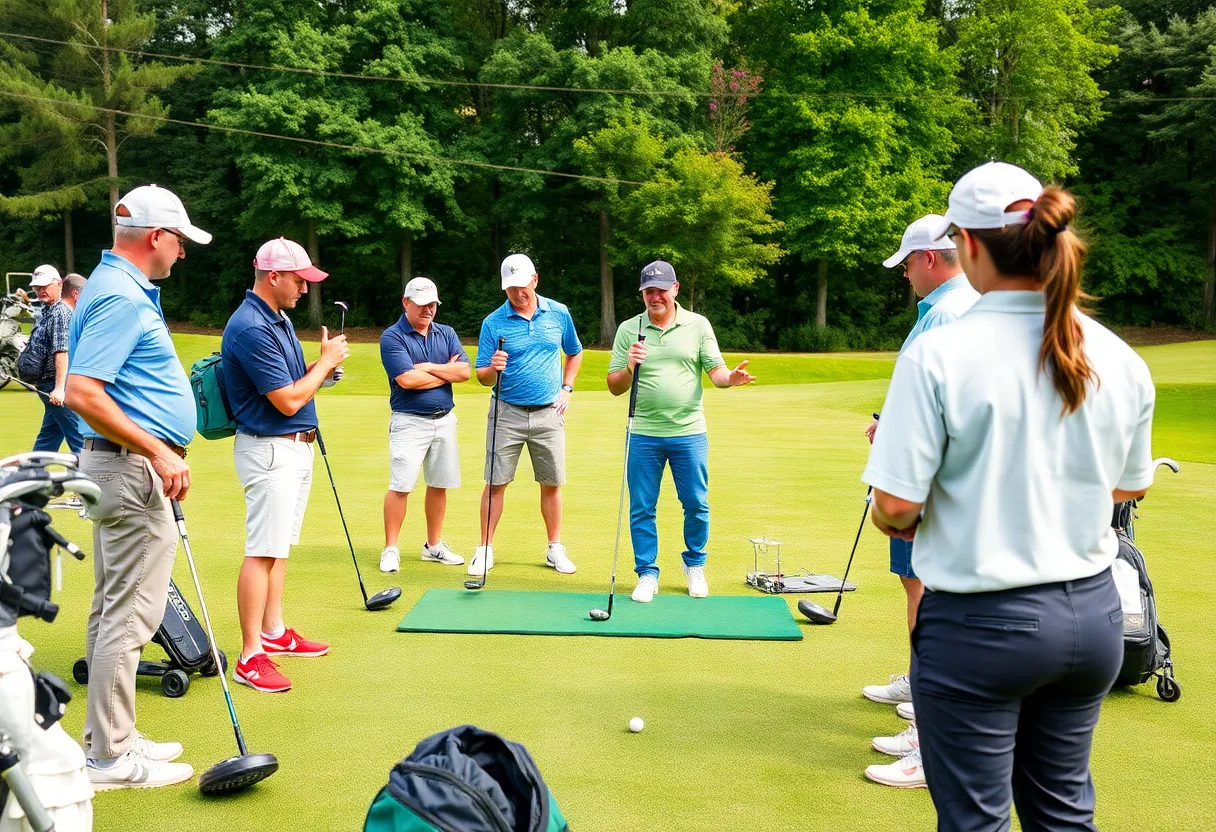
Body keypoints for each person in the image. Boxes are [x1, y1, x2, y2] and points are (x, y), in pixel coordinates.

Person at [862, 162, 1156, 829]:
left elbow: (895, 509)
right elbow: (1128, 484)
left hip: (982, 628)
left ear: (966, 244)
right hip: (1094, 620)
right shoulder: (1117, 353)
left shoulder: (939, 354)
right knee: (1062, 815)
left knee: (976, 821)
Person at [65, 183, 209, 790]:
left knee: (109, 611)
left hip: (116, 466)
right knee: (130, 617)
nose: (182, 252)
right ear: (155, 237)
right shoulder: (123, 296)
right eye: (178, 240)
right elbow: (83, 391)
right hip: (131, 468)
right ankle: (110, 757)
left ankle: (106, 736)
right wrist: (157, 450)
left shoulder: (113, 287)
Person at [861, 215, 979, 788]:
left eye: (908, 262)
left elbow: (940, 407)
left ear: (931, 258)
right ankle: (924, 703)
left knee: (931, 599)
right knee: (923, 592)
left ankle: (931, 735)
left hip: (931, 485)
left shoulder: (948, 313)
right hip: (937, 479)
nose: (905, 273)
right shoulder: (950, 308)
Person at [220, 237, 349, 694]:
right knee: (262, 550)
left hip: (290, 447)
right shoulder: (252, 327)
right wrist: (327, 362)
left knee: (278, 548)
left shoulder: (276, 319)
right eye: (299, 280)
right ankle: (250, 654)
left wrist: (322, 367)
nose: (304, 289)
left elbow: (295, 383)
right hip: (270, 447)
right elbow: (289, 399)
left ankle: (273, 632)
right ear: (273, 277)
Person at [606, 261, 755, 601]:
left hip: (689, 432)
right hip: (643, 432)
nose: (654, 296)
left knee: (696, 503)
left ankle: (695, 565)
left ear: (675, 289)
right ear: (642, 293)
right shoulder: (630, 329)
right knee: (642, 506)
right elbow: (614, 386)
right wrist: (630, 366)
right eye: (648, 291)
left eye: (661, 289)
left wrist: (731, 379)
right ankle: (647, 573)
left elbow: (716, 372)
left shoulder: (698, 325)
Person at [469, 254, 583, 577]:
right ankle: (485, 549)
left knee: (552, 483)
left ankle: (554, 548)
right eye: (510, 289)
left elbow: (574, 352)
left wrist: (567, 388)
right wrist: (494, 368)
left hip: (549, 412)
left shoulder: (558, 313)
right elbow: (482, 376)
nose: (518, 294)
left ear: (535, 279)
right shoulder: (494, 322)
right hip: (506, 412)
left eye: (522, 286)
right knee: (495, 482)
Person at [378, 277, 471, 573]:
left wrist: (429, 368)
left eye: (432, 304)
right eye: (421, 304)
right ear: (406, 303)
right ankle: (391, 548)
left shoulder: (447, 333)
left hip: (444, 419)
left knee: (439, 484)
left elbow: (466, 372)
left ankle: (433, 546)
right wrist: (447, 372)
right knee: (401, 485)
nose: (428, 310)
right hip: (409, 421)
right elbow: (407, 380)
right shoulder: (393, 337)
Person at [17, 265, 83, 454]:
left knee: (76, 438)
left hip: (54, 386)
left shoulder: (60, 312)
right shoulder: (49, 309)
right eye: (37, 287)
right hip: (46, 385)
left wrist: (59, 388)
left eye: (45, 285)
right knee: (49, 438)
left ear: (59, 284)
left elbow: (61, 351)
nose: (40, 290)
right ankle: (32, 473)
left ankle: (92, 479)